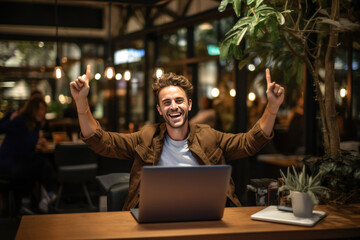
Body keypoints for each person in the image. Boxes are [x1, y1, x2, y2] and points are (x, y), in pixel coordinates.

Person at [70, 65, 284, 210]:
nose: (174, 106)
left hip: (204, 216)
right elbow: (101, 141)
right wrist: (81, 102)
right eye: (166, 102)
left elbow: (249, 142)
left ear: (189, 105)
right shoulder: (145, 136)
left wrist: (272, 107)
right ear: (159, 110)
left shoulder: (210, 136)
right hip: (156, 217)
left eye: (179, 101)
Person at [0, 97, 56, 214]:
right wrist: (10, 119)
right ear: (32, 110)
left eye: (43, 109)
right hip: (7, 164)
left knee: (35, 165)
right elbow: (3, 129)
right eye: (39, 109)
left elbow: (27, 145)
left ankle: (26, 204)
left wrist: (36, 144)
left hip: (20, 162)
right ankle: (49, 194)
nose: (42, 112)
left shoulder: (36, 125)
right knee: (38, 163)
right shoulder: (19, 120)